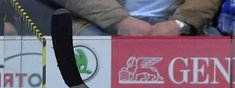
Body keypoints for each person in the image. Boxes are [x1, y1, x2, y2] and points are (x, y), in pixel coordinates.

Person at [57, 0, 219, 34]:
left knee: (221, 49)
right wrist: (119, 20)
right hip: (101, 24)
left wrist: (180, 23)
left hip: (174, 25)